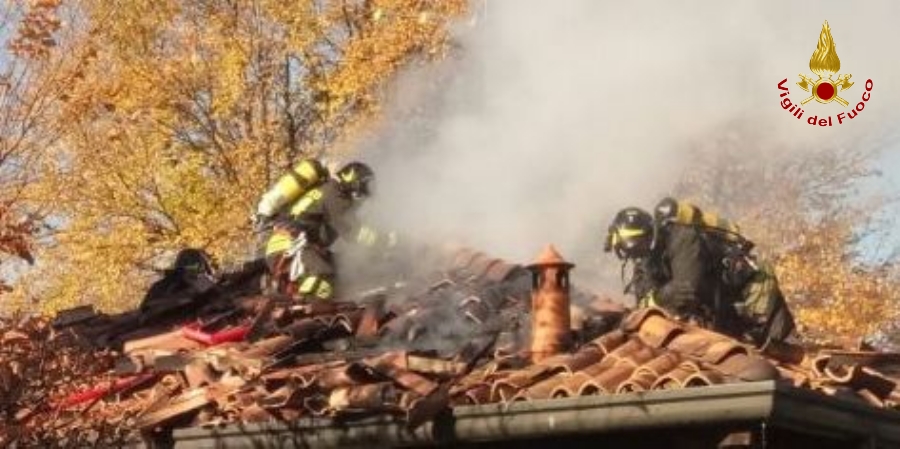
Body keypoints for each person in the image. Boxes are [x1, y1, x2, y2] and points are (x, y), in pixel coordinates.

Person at [604, 197, 795, 346]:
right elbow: (644, 304)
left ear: (640, 240)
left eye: (632, 250)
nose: (634, 257)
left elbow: (686, 289)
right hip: (723, 305)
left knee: (771, 354)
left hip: (754, 294)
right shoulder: (648, 258)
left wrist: (659, 299)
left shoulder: (683, 238)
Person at [257, 160, 394, 301]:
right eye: (365, 186)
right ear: (354, 183)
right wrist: (387, 242)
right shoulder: (336, 194)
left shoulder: (327, 189)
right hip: (290, 248)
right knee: (323, 278)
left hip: (292, 247)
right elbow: (353, 232)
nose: (366, 193)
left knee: (345, 272)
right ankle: (304, 311)